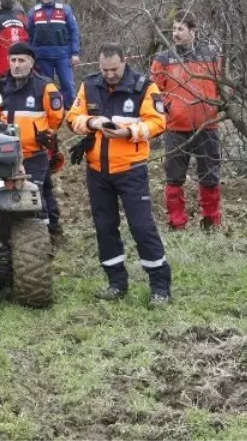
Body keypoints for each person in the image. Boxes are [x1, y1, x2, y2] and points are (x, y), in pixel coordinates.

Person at [65, 44, 171, 308]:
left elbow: (158, 123)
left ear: (125, 62)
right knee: (105, 228)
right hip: (98, 170)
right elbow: (72, 117)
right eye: (105, 69)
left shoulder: (144, 87)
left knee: (142, 227)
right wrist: (91, 123)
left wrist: (128, 133)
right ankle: (116, 283)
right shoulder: (89, 86)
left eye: (114, 69)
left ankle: (160, 286)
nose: (110, 74)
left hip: (131, 169)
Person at [151, 12, 225, 230]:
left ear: (193, 32)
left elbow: (223, 84)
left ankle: (212, 221)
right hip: (176, 127)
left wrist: (216, 103)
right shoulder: (163, 59)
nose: (175, 33)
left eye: (180, 29)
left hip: (207, 126)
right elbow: (153, 91)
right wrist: (167, 106)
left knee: (210, 176)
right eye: (173, 29)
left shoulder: (211, 55)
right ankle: (177, 222)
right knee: (174, 177)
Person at [0, 42, 65, 242]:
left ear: (31, 63)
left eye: (22, 60)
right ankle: (53, 230)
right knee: (44, 191)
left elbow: (57, 116)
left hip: (35, 153)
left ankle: (42, 239)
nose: (17, 65)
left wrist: (45, 134)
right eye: (13, 60)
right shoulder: (1, 86)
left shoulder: (45, 86)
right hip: (8, 155)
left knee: (33, 196)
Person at [27, 0, 81, 107]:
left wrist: (75, 53)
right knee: (46, 85)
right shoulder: (33, 12)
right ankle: (48, 108)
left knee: (67, 83)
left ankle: (69, 109)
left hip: (63, 54)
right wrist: (29, 54)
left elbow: (74, 32)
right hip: (42, 56)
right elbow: (28, 35)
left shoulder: (65, 10)